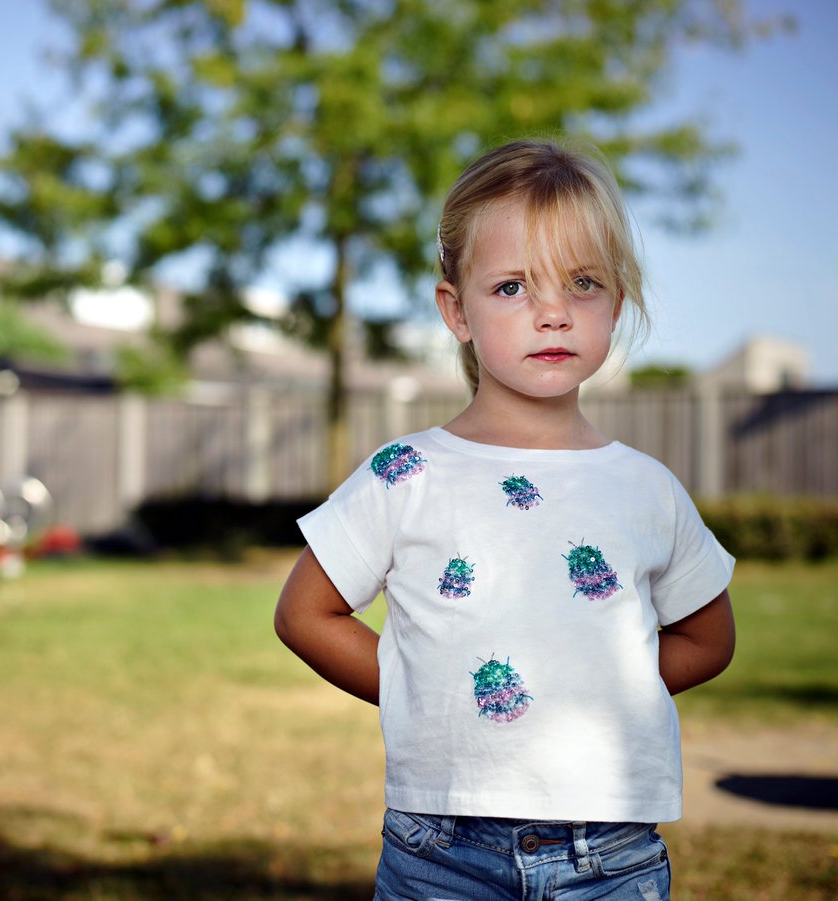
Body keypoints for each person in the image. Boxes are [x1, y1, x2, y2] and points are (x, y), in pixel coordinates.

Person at [273, 139, 736, 901]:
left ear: (616, 304)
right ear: (456, 310)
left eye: (583, 283)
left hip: (610, 856)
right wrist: (429, 695)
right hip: (441, 853)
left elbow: (709, 638)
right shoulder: (405, 474)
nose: (553, 312)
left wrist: (601, 681)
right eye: (513, 286)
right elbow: (304, 614)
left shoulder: (648, 487)